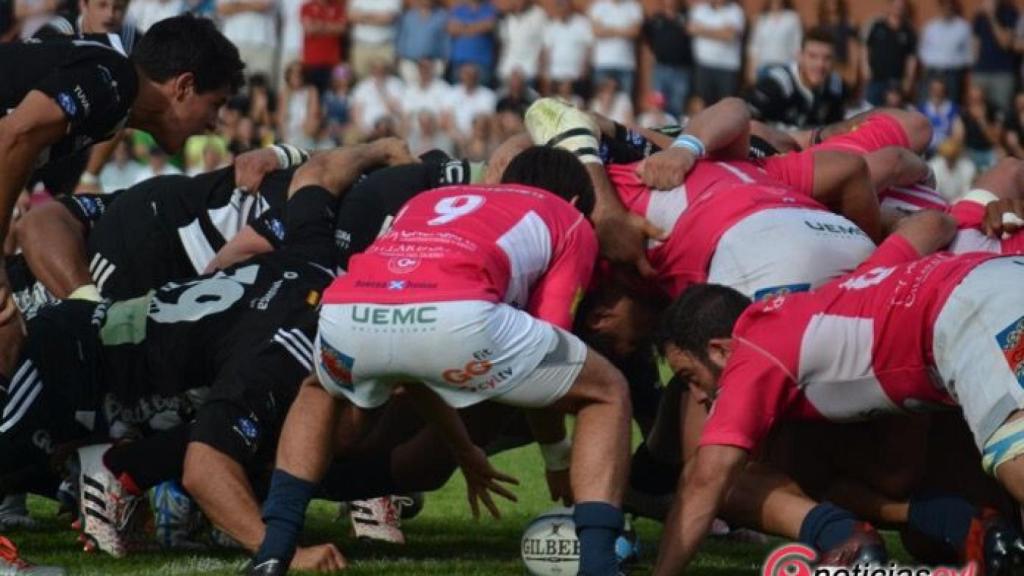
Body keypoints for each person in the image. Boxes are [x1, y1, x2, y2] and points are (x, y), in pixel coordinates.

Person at [247, 147, 633, 576]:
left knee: (319, 389)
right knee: (607, 391)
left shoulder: (430, 199)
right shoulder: (569, 217)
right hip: (459, 316)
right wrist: (557, 458)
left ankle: (273, 551)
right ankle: (599, 565)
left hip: (349, 309)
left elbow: (412, 354)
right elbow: (552, 341)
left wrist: (463, 448)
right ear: (577, 201)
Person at [649, 209, 1024, 575]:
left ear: (719, 350)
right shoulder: (845, 291)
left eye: (690, 376)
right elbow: (934, 222)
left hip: (972, 307)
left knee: (1014, 454)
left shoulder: (753, 346)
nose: (697, 395)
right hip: (1000, 275)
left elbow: (707, 478)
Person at [0, 14, 244, 300]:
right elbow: (15, 135)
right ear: (184, 86)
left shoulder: (111, 106)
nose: (214, 124)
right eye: (215, 104)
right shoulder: (116, 76)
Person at [745, 27, 846, 129]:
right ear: (800, 56)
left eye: (827, 58)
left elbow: (837, 130)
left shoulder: (835, 87)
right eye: (813, 56)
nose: (820, 65)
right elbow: (747, 124)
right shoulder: (777, 83)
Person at [688, 0, 745, 105]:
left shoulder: (735, 11)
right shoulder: (700, 10)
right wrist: (720, 31)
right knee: (703, 105)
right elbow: (691, 29)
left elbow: (729, 36)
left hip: (727, 67)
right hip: (703, 65)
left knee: (726, 106)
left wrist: (702, 29)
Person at [862, 0, 916, 106]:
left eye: (901, 6)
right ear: (890, 6)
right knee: (871, 110)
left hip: (896, 82)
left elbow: (911, 58)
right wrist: (865, 68)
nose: (898, 9)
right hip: (875, 79)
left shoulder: (908, 31)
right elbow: (865, 47)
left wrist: (909, 79)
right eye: (896, 5)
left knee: (892, 113)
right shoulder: (877, 25)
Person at [642, 0, 692, 118]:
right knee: (657, 106)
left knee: (676, 107)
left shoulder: (686, 18)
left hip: (681, 70)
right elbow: (647, 36)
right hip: (660, 69)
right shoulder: (656, 19)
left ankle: (673, 129)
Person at [917, 0, 972, 105]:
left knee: (951, 105)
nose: (947, 10)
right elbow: (922, 50)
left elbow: (968, 53)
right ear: (940, 8)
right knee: (926, 104)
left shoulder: (963, 27)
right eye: (944, 7)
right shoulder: (930, 27)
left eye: (949, 7)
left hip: (952, 73)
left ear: (953, 8)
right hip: (932, 72)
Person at [587, 0, 642, 98]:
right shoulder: (598, 6)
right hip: (602, 63)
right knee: (600, 102)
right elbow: (596, 32)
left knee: (625, 102)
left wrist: (608, 30)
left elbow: (635, 32)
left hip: (626, 64)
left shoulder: (633, 6)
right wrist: (624, 30)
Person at [971, 0, 1018, 113]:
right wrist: (975, 68)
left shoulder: (1009, 13)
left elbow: (1005, 43)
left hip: (1002, 74)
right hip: (981, 72)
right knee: (977, 109)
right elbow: (975, 46)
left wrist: (992, 17)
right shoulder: (979, 16)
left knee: (1001, 112)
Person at [745, 0, 802, 85]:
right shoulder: (762, 19)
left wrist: (797, 70)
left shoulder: (792, 18)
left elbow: (797, 45)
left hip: (784, 68)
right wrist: (752, 71)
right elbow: (755, 47)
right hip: (763, 68)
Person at [346, 0, 401, 78]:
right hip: (361, 46)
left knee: (386, 80)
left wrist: (362, 16)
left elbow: (387, 19)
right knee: (360, 80)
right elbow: (351, 17)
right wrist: (376, 17)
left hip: (384, 46)